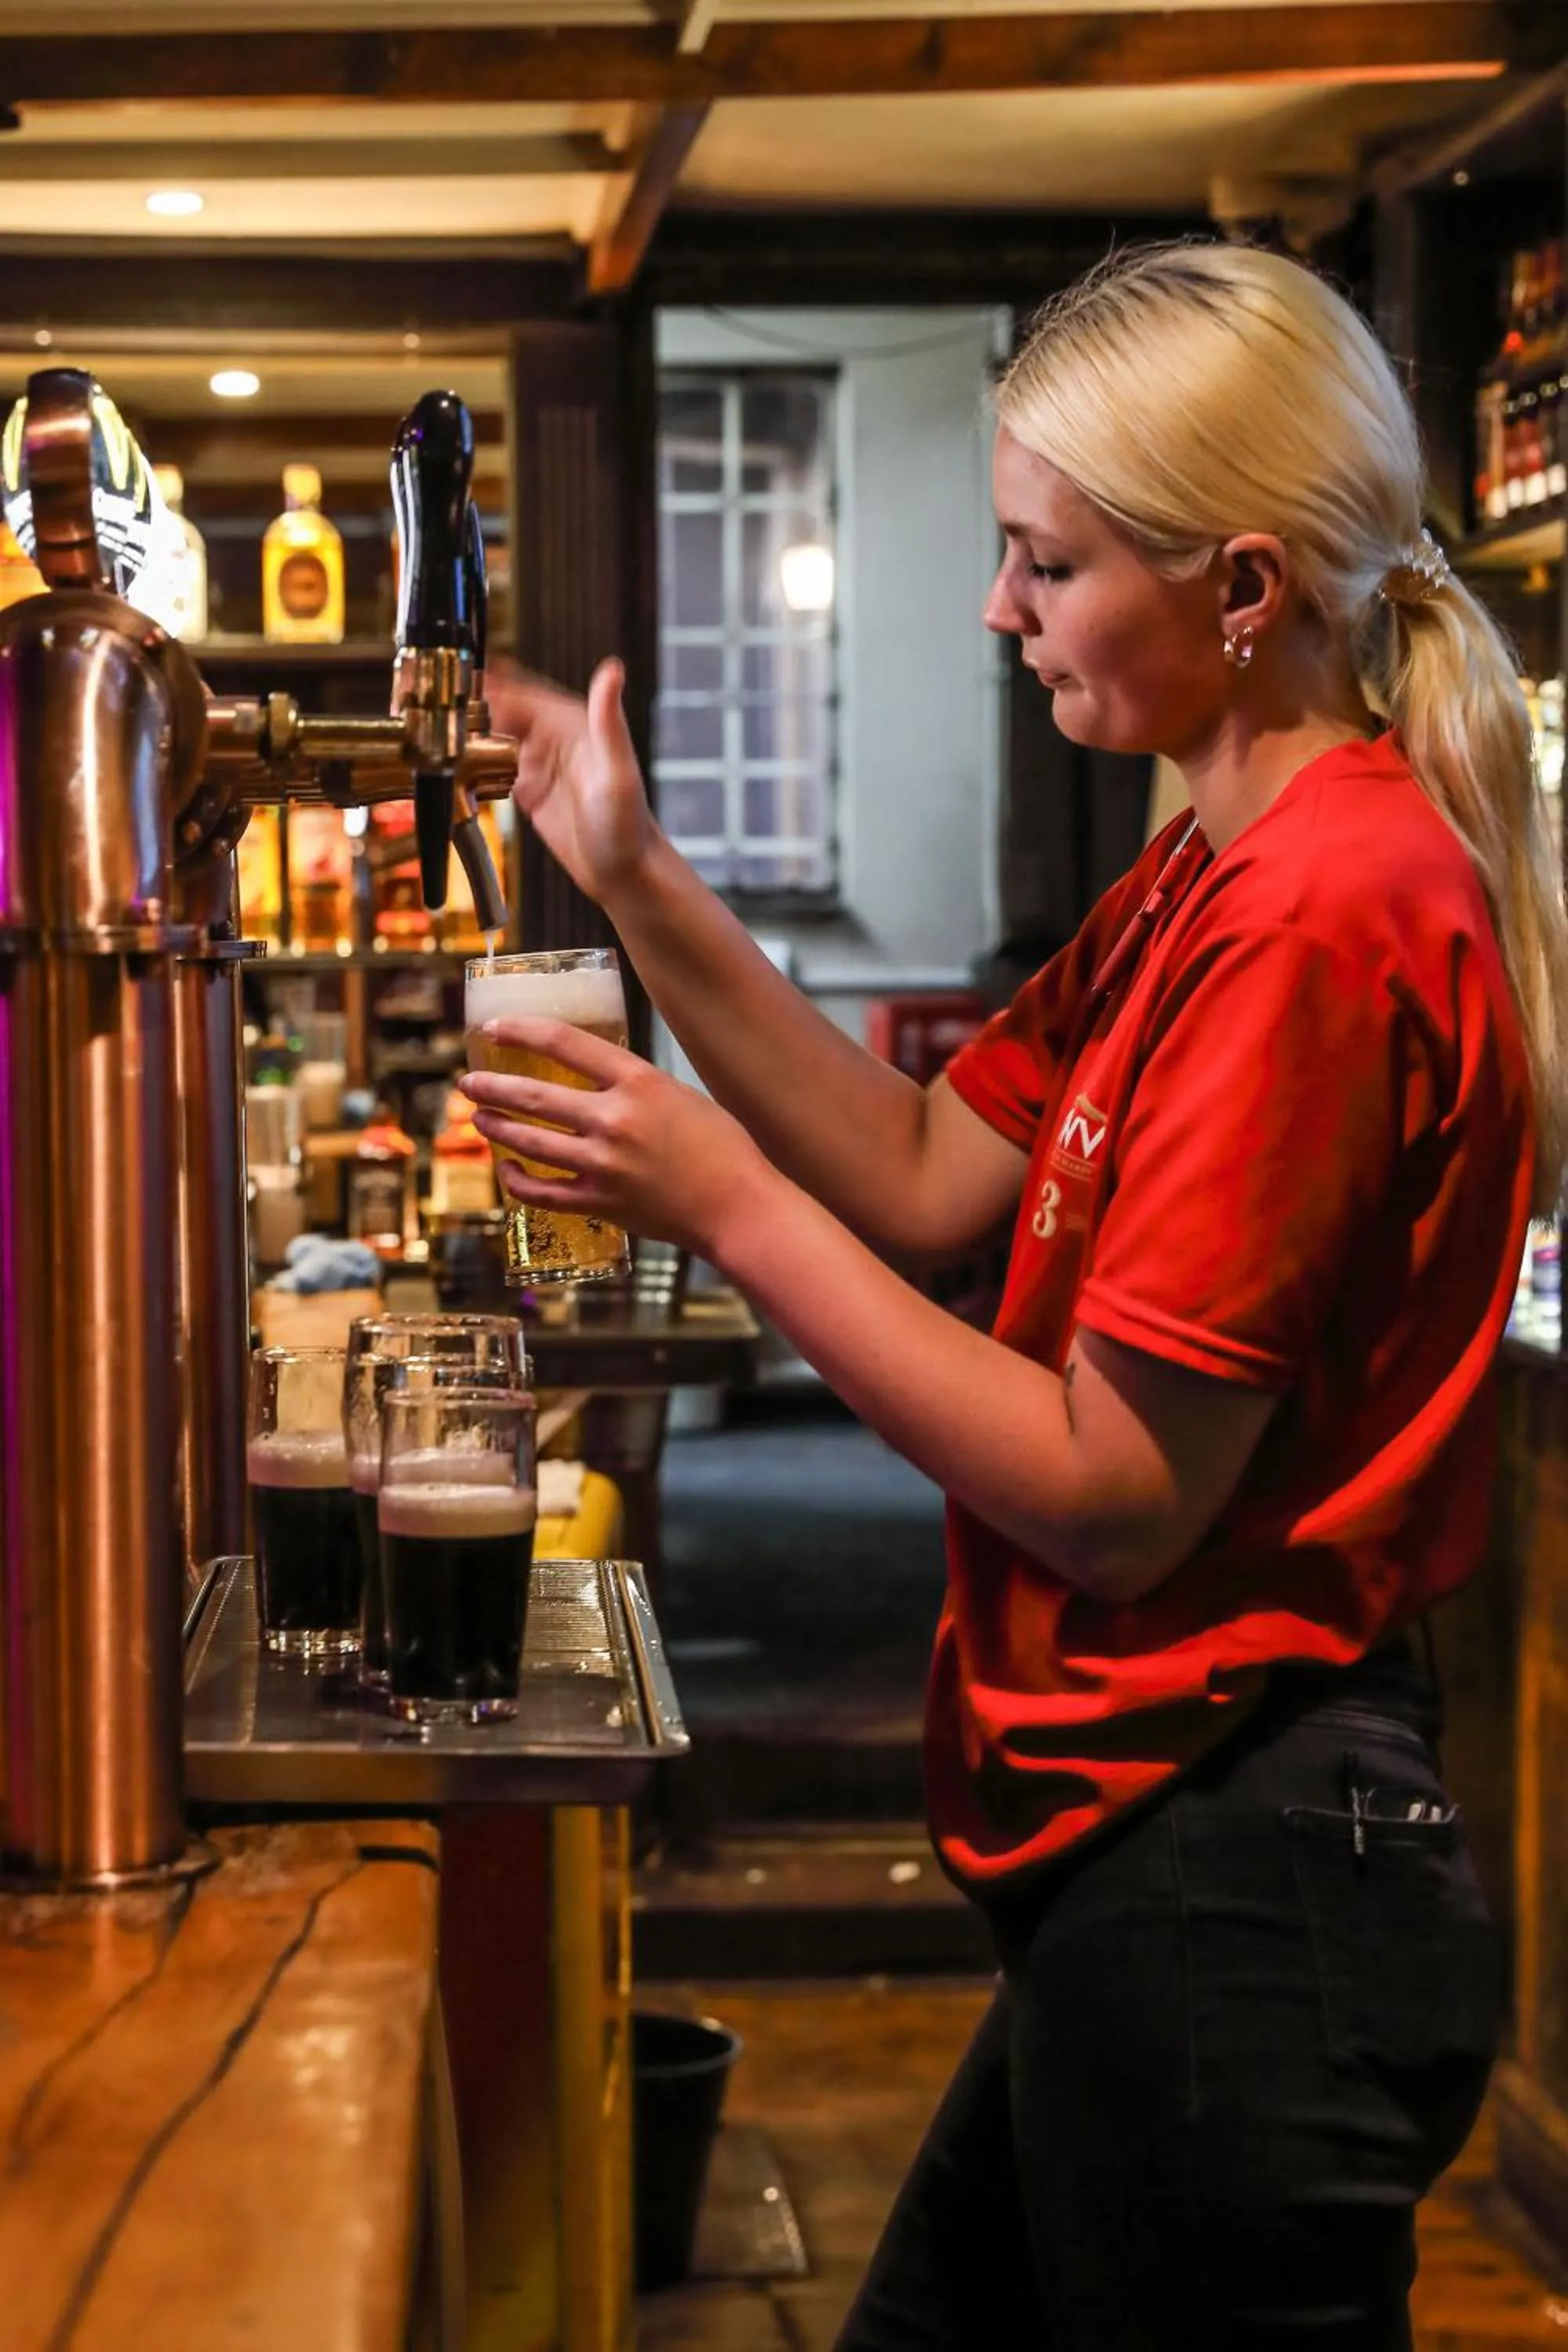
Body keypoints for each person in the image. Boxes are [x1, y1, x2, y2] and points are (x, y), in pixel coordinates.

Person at [460, 240, 1568, 2349]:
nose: (998, 607)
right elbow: (918, 1168)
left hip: (1247, 1871)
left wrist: (721, 1203)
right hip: (1174, 1853)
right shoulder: (1209, 866)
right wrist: (632, 871)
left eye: (1047, 563)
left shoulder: (1319, 913)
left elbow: (1114, 1489)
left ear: (1243, 588)